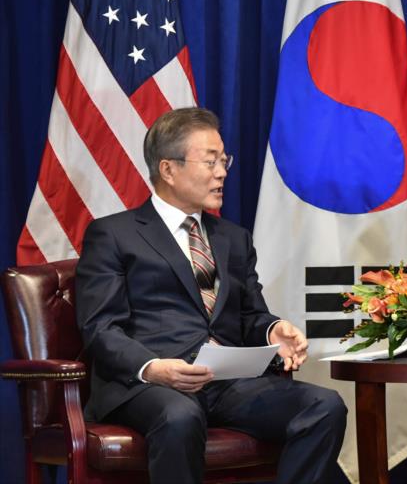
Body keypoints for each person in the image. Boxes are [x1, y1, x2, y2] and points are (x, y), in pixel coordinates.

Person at [76, 107, 346, 484]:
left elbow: (250, 315)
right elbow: (101, 327)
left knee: (324, 406)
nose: (222, 173)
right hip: (150, 384)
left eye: (224, 161)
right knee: (179, 415)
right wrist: (154, 367)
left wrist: (273, 331)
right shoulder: (113, 235)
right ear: (168, 169)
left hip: (228, 383)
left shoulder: (233, 238)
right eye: (210, 161)